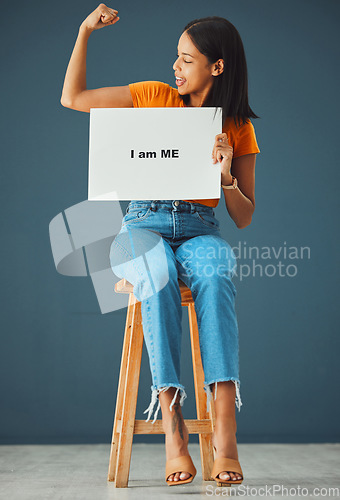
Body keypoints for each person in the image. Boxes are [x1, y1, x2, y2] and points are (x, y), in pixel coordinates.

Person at [60, 3, 260, 487]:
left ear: (218, 66)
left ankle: (225, 434)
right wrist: (85, 32)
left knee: (215, 273)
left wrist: (226, 174)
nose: (175, 66)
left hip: (199, 228)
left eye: (186, 59)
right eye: (176, 56)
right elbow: (74, 98)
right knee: (157, 274)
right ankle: (174, 431)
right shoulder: (153, 95)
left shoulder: (236, 126)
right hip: (141, 225)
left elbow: (243, 216)